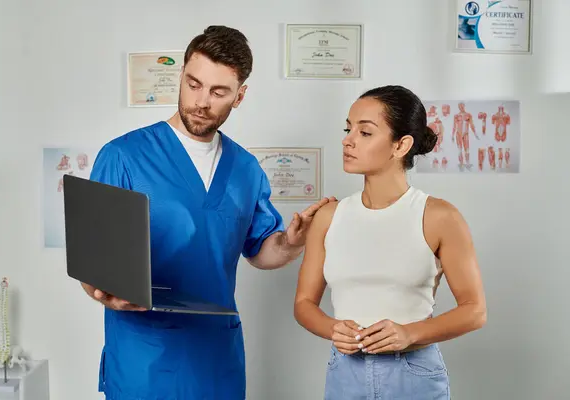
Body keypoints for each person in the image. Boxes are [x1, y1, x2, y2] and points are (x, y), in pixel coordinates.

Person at [81, 25, 336, 400]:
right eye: (193, 84)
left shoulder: (246, 169)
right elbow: (93, 261)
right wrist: (102, 292)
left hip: (217, 357)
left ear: (239, 96)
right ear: (181, 76)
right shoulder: (123, 156)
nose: (201, 101)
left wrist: (293, 242)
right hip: (143, 356)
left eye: (218, 92)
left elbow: (262, 250)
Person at [294, 85, 487, 399]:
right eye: (348, 128)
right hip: (344, 372)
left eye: (365, 132)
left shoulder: (439, 217)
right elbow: (304, 304)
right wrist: (332, 328)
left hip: (413, 372)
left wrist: (408, 333)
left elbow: (475, 311)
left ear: (401, 145)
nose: (348, 139)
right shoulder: (329, 216)